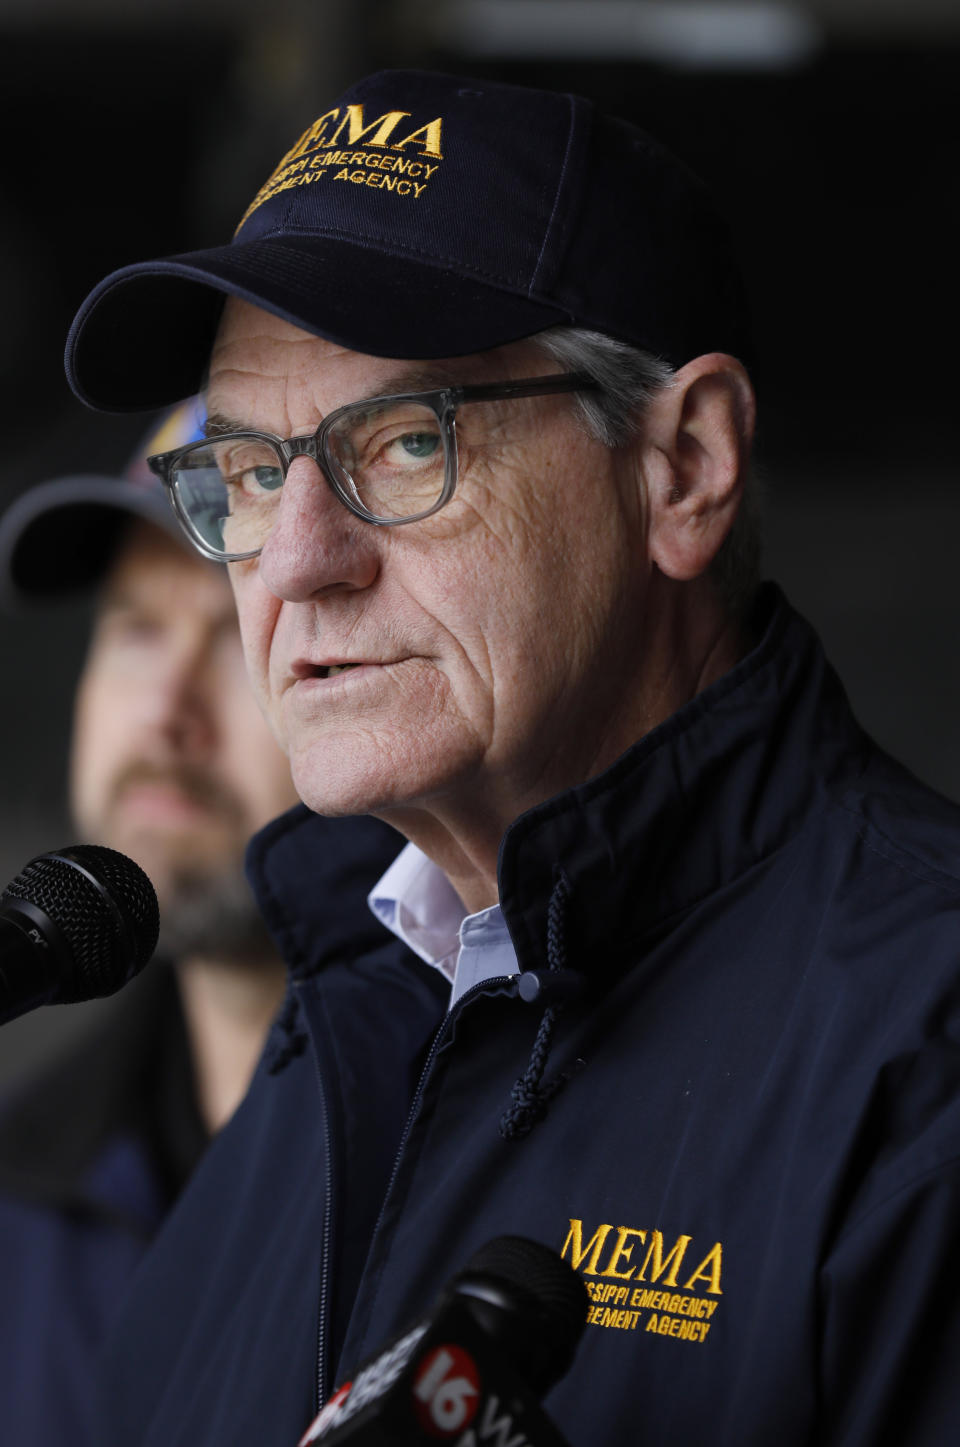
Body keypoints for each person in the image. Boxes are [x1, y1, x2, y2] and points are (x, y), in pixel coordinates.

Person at [64, 69, 960, 1446]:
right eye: (248, 474)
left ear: (683, 467)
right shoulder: (333, 1032)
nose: (296, 562)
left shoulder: (922, 1050)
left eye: (409, 441)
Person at [0, 405, 406, 1446]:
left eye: (236, 631)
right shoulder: (21, 1178)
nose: (166, 712)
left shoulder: (492, 1145)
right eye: (136, 626)